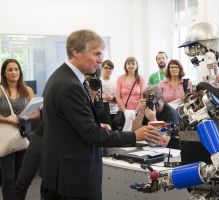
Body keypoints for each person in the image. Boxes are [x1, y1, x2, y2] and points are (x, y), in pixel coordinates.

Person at [41, 29, 160, 200]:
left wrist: (95, 125)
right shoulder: (69, 85)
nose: (101, 59)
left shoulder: (64, 77)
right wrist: (135, 135)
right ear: (76, 52)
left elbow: (72, 125)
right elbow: (91, 134)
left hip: (65, 171)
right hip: (73, 177)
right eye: (96, 53)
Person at [0, 58, 40, 200]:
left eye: (16, 69)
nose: (13, 72)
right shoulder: (0, 89)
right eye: (10, 69)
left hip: (23, 136)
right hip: (5, 138)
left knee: (20, 178)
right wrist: (8, 120)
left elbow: (36, 113)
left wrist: (27, 118)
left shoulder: (27, 90)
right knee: (9, 177)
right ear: (4, 73)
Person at [115, 57, 145, 130]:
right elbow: (117, 97)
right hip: (123, 111)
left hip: (137, 112)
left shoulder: (141, 79)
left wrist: (135, 112)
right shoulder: (120, 78)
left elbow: (142, 97)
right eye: (128, 64)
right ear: (125, 66)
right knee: (123, 134)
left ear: (136, 66)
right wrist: (125, 111)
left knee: (136, 133)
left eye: (133, 64)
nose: (131, 65)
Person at [100, 60, 118, 127]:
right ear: (102, 68)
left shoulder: (116, 82)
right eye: (106, 68)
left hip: (115, 111)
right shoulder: (98, 81)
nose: (108, 70)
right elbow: (92, 98)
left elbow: (120, 98)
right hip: (102, 112)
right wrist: (102, 97)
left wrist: (112, 98)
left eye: (110, 68)